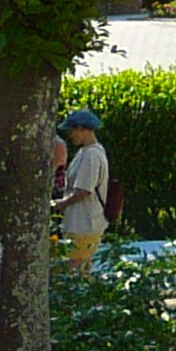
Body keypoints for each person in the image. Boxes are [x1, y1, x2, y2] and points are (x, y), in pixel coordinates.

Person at [52, 109, 111, 266]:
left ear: (81, 129)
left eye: (72, 130)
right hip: (79, 223)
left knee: (75, 269)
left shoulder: (91, 155)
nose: (70, 135)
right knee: (82, 269)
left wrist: (61, 204)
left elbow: (84, 190)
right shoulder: (86, 152)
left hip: (84, 225)